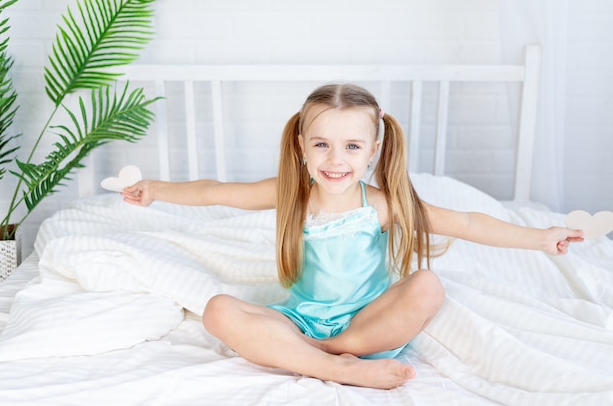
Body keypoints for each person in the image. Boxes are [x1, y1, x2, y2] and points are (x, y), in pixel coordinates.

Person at [122, 83, 583, 390]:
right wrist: (157, 189)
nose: (336, 159)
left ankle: (338, 353)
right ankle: (331, 363)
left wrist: (540, 238)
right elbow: (215, 192)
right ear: (301, 146)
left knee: (427, 285)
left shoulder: (382, 203)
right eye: (322, 143)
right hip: (301, 322)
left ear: (373, 152)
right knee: (218, 310)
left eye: (352, 146)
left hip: (367, 325)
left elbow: (465, 222)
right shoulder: (292, 196)